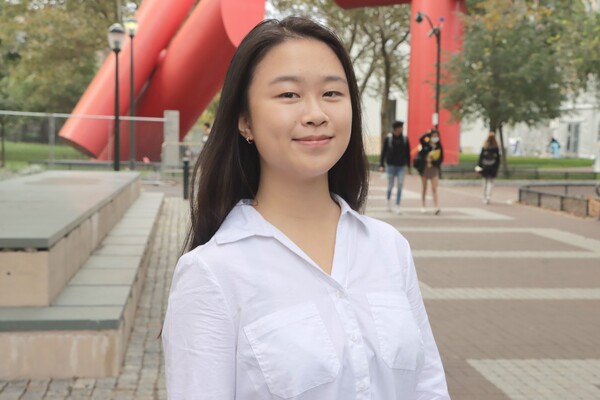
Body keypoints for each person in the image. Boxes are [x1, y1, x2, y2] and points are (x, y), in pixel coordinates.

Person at [162, 17, 449, 400]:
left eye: (332, 93)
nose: (316, 113)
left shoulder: (388, 247)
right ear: (244, 121)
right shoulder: (213, 273)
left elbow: (428, 388)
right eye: (289, 95)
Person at [379, 120, 411, 214]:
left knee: (400, 185)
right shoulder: (389, 138)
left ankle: (397, 205)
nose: (402, 129)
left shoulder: (405, 139)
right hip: (391, 166)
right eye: (400, 127)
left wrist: (408, 166)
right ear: (396, 128)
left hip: (401, 166)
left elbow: (407, 153)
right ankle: (388, 200)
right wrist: (382, 164)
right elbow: (384, 152)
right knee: (390, 185)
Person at [416, 129, 443, 214]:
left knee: (434, 188)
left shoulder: (439, 147)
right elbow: (420, 139)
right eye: (433, 136)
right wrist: (427, 133)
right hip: (425, 169)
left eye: (436, 136)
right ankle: (423, 205)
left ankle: (436, 206)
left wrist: (433, 161)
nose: (435, 138)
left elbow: (441, 159)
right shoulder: (426, 145)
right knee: (424, 188)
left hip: (434, 169)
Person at [476, 131, 501, 204]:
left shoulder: (485, 147)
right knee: (490, 182)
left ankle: (484, 195)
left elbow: (480, 158)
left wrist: (479, 167)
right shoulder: (496, 148)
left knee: (485, 181)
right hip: (492, 167)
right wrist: (496, 167)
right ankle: (488, 195)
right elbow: (498, 159)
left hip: (485, 167)